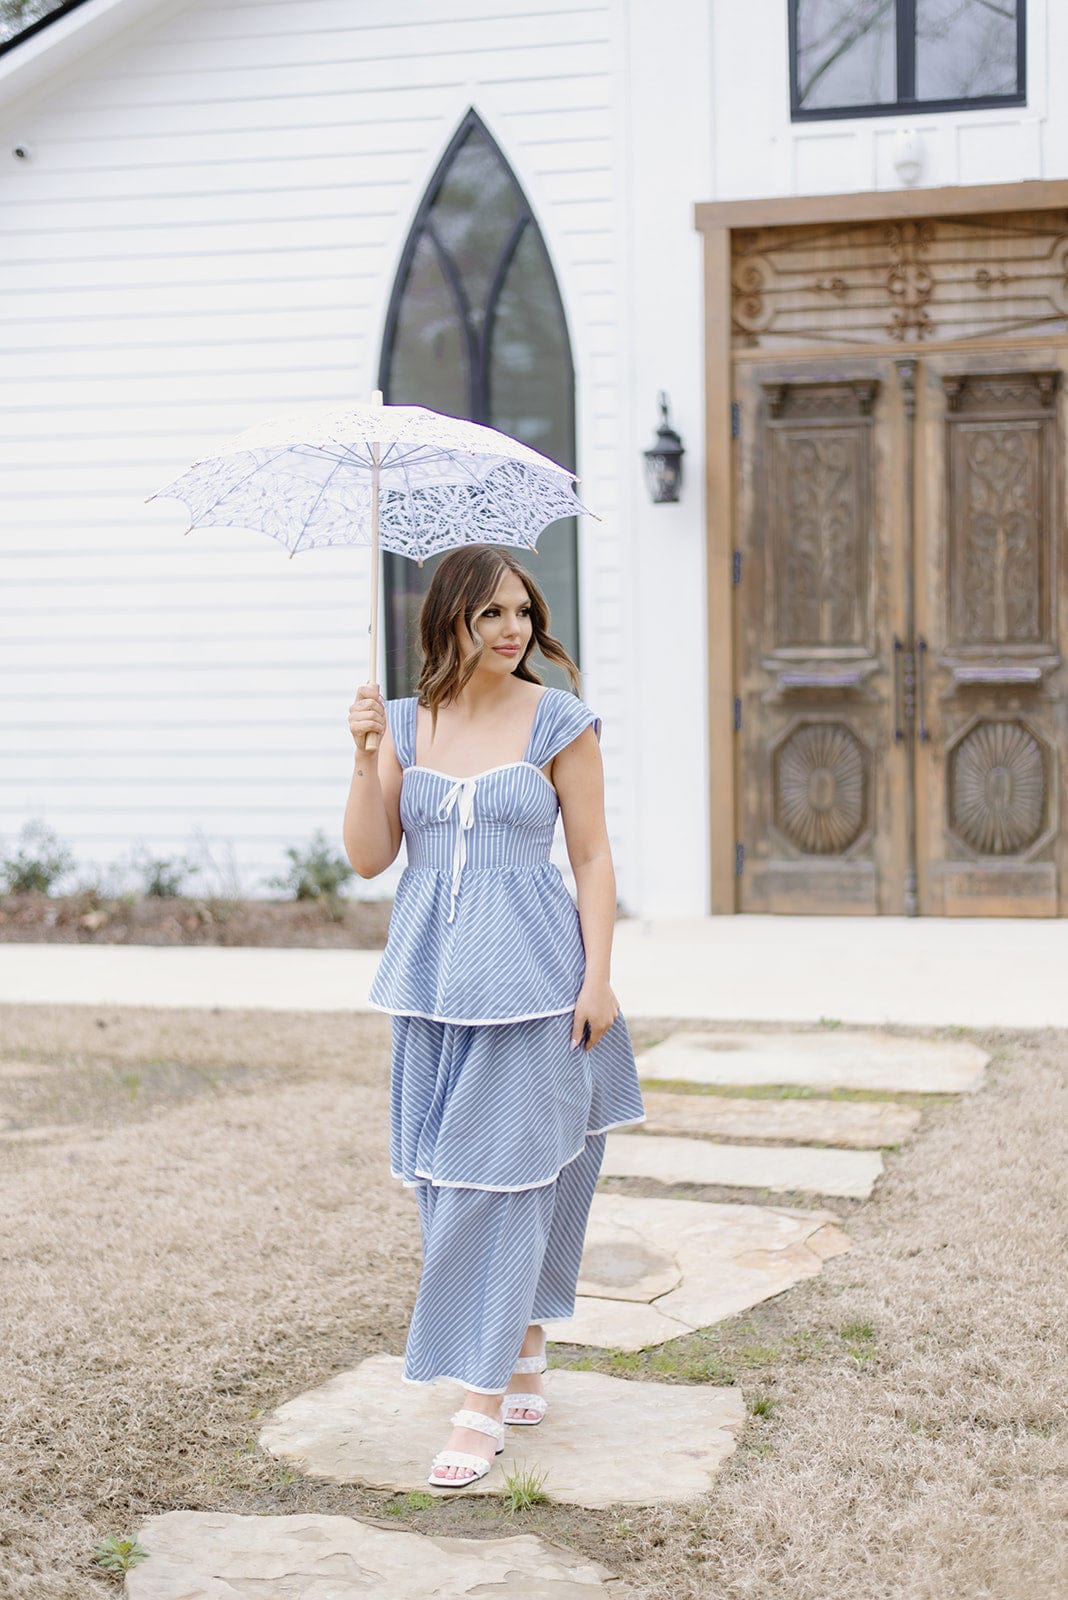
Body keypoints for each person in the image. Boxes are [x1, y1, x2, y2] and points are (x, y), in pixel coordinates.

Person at [343, 543, 644, 1489]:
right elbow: (366, 857)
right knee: (444, 1179)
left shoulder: (560, 722)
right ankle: (518, 1339)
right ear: (452, 622)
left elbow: (592, 859)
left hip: (538, 984)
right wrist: (364, 760)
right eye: (491, 616)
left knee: (503, 1179)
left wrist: (598, 979)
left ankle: (478, 1404)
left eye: (522, 612)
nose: (513, 630)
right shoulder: (403, 720)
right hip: (433, 985)